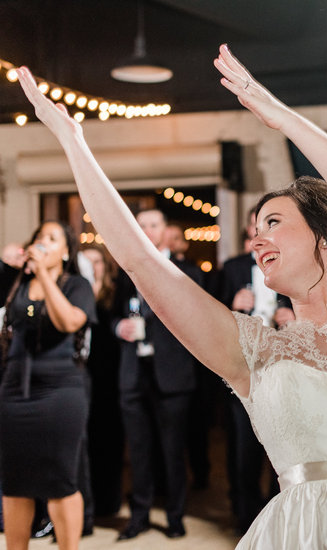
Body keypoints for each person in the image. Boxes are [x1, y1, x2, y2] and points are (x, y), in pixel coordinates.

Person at [16, 44, 327, 549]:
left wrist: (282, 120)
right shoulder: (253, 350)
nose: (256, 241)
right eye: (255, 230)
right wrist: (73, 143)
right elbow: (141, 260)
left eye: (273, 223)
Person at [0, 221, 97, 550]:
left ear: (66, 251)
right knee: (14, 482)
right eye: (39, 236)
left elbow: (68, 321)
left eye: (52, 239)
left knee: (60, 479)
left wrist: (43, 274)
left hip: (60, 391)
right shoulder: (16, 282)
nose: (42, 242)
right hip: (15, 389)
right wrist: (5, 262)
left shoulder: (77, 285)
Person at [111, 209, 204, 540]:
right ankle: (139, 516)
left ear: (166, 231)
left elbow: (198, 321)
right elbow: (113, 314)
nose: (147, 231)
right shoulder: (126, 272)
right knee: (138, 451)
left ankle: (176, 516)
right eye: (142, 226)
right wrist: (118, 325)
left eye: (154, 225)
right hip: (134, 372)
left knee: (172, 450)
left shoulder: (188, 272)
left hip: (172, 374)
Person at [218, 207, 294, 534]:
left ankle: (280, 514)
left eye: (268, 226)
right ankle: (246, 517)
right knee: (243, 447)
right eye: (254, 228)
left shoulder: (293, 268)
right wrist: (231, 308)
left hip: (285, 370)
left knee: (283, 447)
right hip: (244, 370)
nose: (259, 234)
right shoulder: (232, 268)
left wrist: (292, 316)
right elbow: (211, 320)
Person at [78, 243, 124, 518]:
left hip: (110, 377)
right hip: (81, 376)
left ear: (106, 267)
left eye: (98, 262)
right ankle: (86, 504)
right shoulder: (72, 294)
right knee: (84, 443)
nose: (93, 267)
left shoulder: (114, 294)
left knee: (109, 440)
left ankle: (109, 502)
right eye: (87, 261)